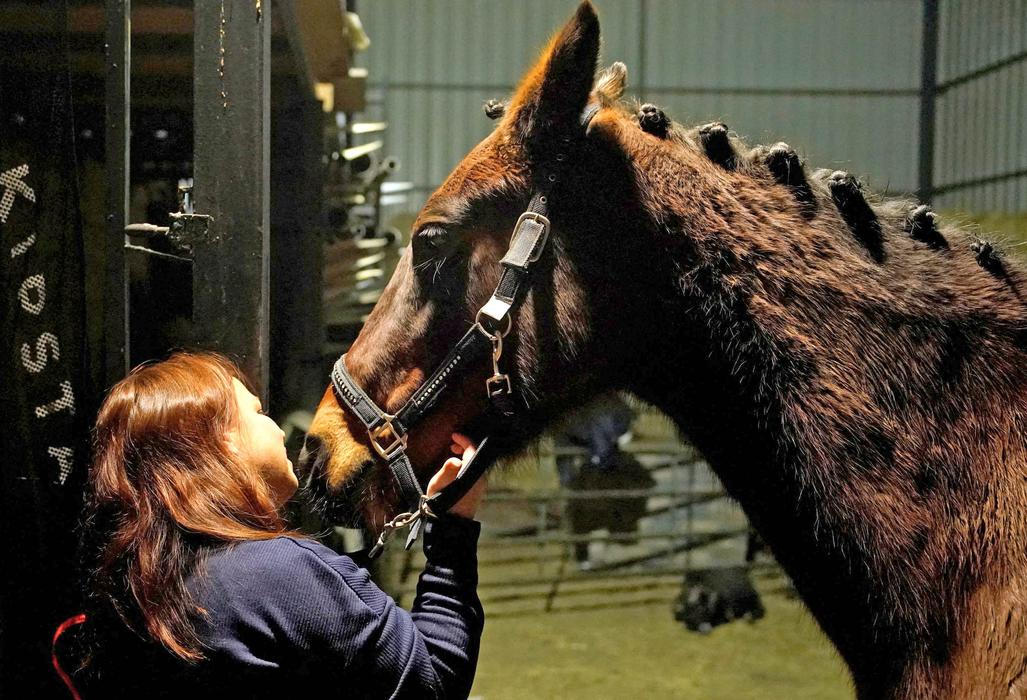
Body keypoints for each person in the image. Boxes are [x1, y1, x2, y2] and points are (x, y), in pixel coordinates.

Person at [74, 351, 486, 698]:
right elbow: (433, 680)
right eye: (256, 412)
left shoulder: (131, 601)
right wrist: (453, 527)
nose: (275, 426)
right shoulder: (277, 574)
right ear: (220, 443)